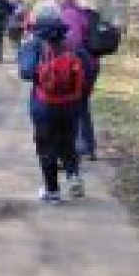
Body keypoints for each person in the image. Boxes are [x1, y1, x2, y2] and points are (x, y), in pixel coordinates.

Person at [18, 13, 95, 204]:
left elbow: (26, 72)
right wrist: (80, 92)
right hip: (71, 105)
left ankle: (52, 192)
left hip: (43, 106)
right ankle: (73, 175)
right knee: (68, 142)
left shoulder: (33, 45)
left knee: (46, 147)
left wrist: (43, 75)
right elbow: (90, 70)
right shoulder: (75, 47)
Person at [52, 0, 98, 161]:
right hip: (90, 64)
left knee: (72, 106)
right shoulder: (80, 12)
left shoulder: (69, 14)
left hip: (79, 65)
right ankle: (88, 146)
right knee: (82, 106)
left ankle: (79, 148)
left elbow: (73, 42)